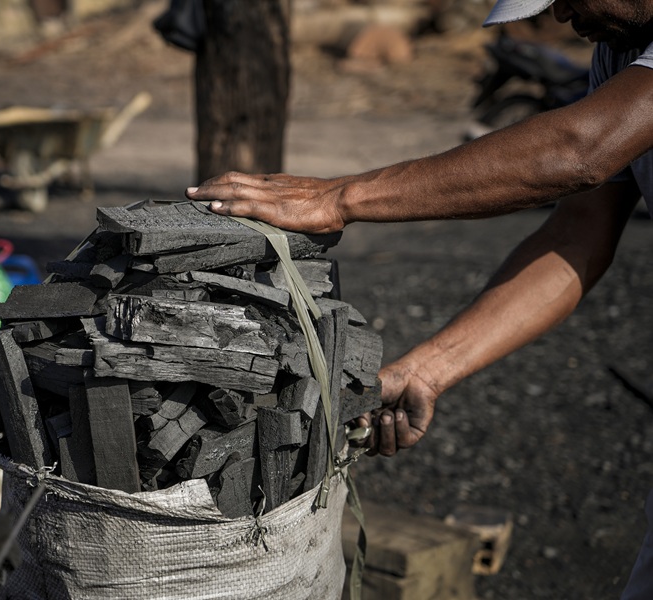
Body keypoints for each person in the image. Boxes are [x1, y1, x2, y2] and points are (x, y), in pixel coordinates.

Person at [185, 0, 653, 597]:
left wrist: (340, 197)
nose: (559, 15)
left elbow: (581, 150)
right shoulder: (619, 52)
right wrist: (428, 369)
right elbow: (576, 237)